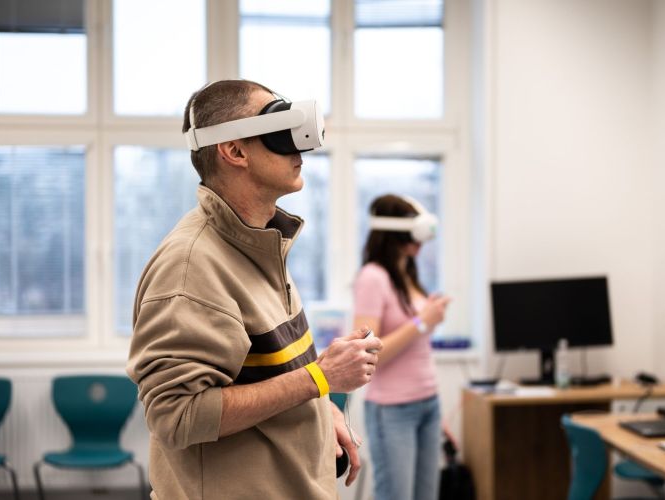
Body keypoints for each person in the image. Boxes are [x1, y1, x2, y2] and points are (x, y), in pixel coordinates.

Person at [127, 79, 382, 500]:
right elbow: (177, 416)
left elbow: (269, 376)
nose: (298, 147)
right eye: (278, 128)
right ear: (235, 151)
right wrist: (321, 378)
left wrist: (320, 409)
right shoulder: (192, 267)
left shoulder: (260, 246)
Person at [352, 194, 452, 500]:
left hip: (428, 403)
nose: (420, 244)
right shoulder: (373, 277)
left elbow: (416, 345)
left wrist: (427, 317)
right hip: (393, 409)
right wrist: (422, 322)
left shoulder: (407, 273)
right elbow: (367, 353)